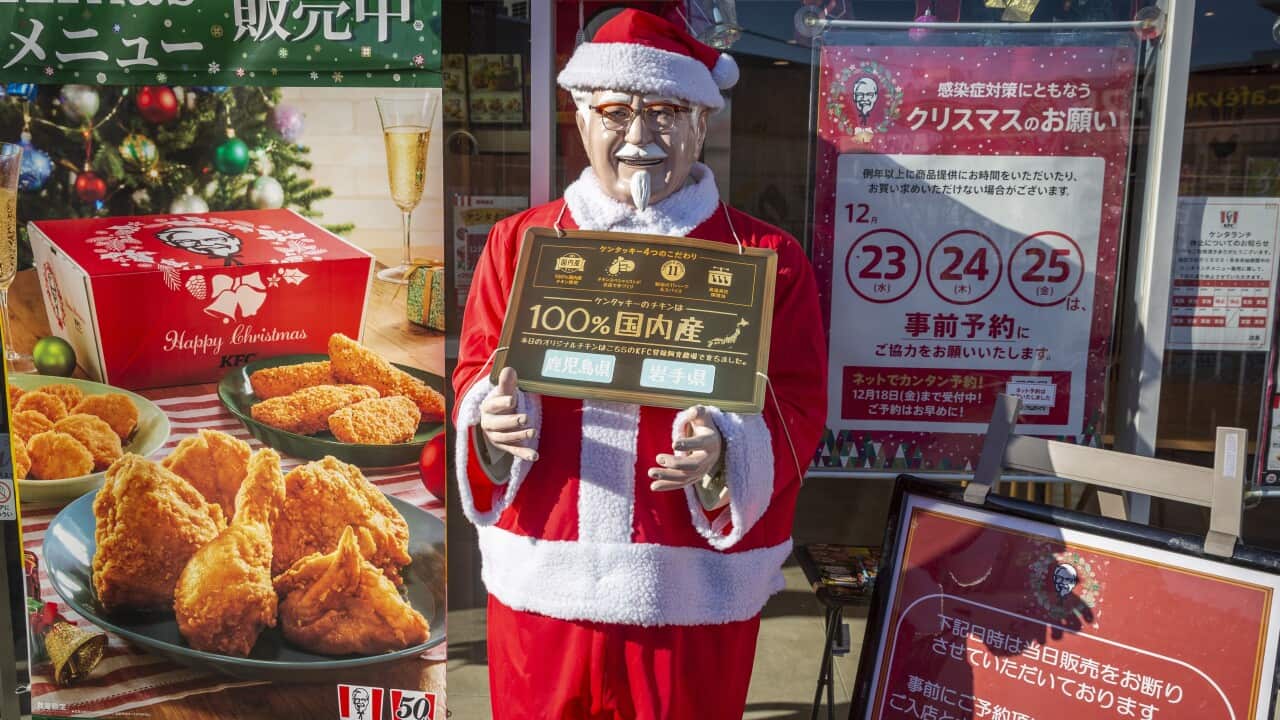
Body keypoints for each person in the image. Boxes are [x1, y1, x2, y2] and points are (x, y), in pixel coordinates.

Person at [452, 9, 828, 719]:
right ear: (581, 120)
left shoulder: (767, 260)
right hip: (545, 587)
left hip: (688, 598)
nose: (639, 137)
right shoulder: (519, 242)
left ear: (703, 122)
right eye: (615, 112)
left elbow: (799, 407)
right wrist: (487, 423)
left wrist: (727, 452)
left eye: (664, 111)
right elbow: (475, 370)